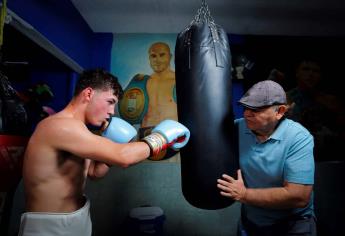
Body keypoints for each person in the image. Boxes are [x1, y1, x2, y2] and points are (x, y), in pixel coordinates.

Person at [19, 68, 190, 236]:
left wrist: (111, 139)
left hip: (77, 217)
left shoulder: (82, 132)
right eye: (110, 101)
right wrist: (161, 138)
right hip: (49, 226)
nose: (112, 112)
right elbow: (123, 157)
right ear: (88, 94)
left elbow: (94, 172)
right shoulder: (60, 126)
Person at [217, 80, 316, 236]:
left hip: (292, 226)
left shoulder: (298, 137)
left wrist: (244, 195)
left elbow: (299, 196)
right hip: (250, 223)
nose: (247, 113)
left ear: (280, 111)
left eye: (257, 109)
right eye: (246, 107)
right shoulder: (239, 127)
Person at [286, 59, 345, 161]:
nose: (310, 74)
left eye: (315, 71)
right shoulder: (285, 99)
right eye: (306, 69)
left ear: (321, 76)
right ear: (297, 73)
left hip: (326, 158)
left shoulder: (331, 101)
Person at [141, 42, 177, 127]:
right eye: (153, 56)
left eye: (162, 55)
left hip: (171, 134)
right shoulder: (143, 82)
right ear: (149, 58)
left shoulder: (179, 82)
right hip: (147, 135)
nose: (157, 60)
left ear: (170, 57)